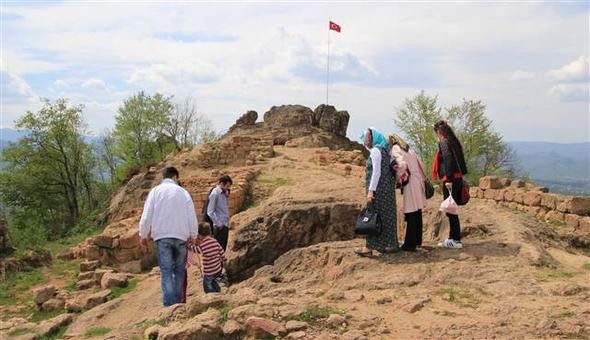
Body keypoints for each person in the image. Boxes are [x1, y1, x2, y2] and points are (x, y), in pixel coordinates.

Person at [139, 166, 198, 306]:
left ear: (163, 177)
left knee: (166, 272)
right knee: (179, 271)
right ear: (175, 177)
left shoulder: (155, 192)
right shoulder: (183, 193)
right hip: (181, 236)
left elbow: (147, 215)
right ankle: (178, 304)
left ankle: (169, 305)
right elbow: (191, 216)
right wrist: (194, 234)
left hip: (162, 236)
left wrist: (143, 234)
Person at [354, 128, 399, 256]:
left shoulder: (375, 151)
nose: (364, 141)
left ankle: (369, 248)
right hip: (387, 190)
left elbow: (376, 172)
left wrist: (371, 191)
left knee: (373, 217)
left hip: (378, 190)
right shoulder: (385, 150)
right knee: (385, 216)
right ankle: (387, 244)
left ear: (373, 137)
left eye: (367, 138)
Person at [432, 121, 468, 249]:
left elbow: (448, 160)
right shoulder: (454, 142)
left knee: (451, 210)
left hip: (450, 180)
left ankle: (456, 240)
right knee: (452, 209)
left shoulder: (444, 143)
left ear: (440, 133)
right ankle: (453, 238)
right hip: (457, 179)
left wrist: (449, 179)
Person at [389, 134, 426, 252]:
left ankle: (409, 244)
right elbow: (421, 164)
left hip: (410, 182)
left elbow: (402, 165)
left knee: (410, 211)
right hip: (418, 180)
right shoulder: (410, 149)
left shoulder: (396, 148)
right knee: (417, 210)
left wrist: (399, 178)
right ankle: (417, 240)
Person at [195, 222, 225, 293]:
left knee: (206, 284)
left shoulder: (203, 245)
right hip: (218, 269)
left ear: (199, 235)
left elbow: (196, 249)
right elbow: (221, 251)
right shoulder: (215, 241)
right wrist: (224, 260)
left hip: (209, 271)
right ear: (210, 232)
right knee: (213, 280)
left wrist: (189, 246)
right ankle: (217, 289)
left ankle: (211, 294)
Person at [206, 175, 232, 252]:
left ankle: (221, 263)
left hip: (225, 224)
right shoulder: (215, 194)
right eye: (227, 186)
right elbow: (210, 212)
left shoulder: (223, 193)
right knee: (218, 250)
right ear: (221, 183)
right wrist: (219, 224)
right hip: (220, 226)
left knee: (223, 249)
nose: (228, 188)